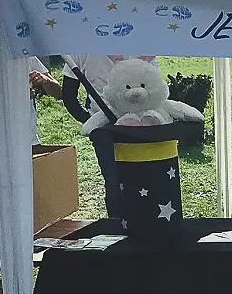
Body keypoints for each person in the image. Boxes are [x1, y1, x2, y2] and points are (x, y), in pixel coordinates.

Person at [60, 55, 158, 219]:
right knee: (119, 181)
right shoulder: (79, 49)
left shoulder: (79, 47)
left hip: (140, 123)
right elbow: (69, 96)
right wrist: (92, 121)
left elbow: (69, 97)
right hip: (111, 126)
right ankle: (123, 227)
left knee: (125, 180)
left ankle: (132, 225)